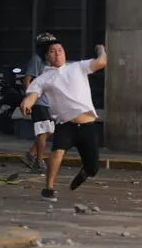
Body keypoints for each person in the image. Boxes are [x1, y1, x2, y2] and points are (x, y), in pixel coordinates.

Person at [20, 41, 107, 202]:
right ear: (47, 57)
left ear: (65, 53)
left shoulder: (77, 67)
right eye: (53, 51)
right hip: (65, 124)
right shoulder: (44, 78)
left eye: (60, 50)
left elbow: (101, 62)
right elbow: (32, 94)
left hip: (87, 125)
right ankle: (48, 188)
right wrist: (27, 104)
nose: (57, 53)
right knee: (57, 152)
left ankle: (84, 172)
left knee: (93, 168)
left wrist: (101, 50)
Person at [21, 32, 58, 174]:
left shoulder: (49, 61)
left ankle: (31, 154)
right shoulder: (36, 60)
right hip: (38, 101)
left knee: (49, 130)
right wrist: (29, 99)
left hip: (48, 101)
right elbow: (27, 80)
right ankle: (38, 161)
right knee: (42, 132)